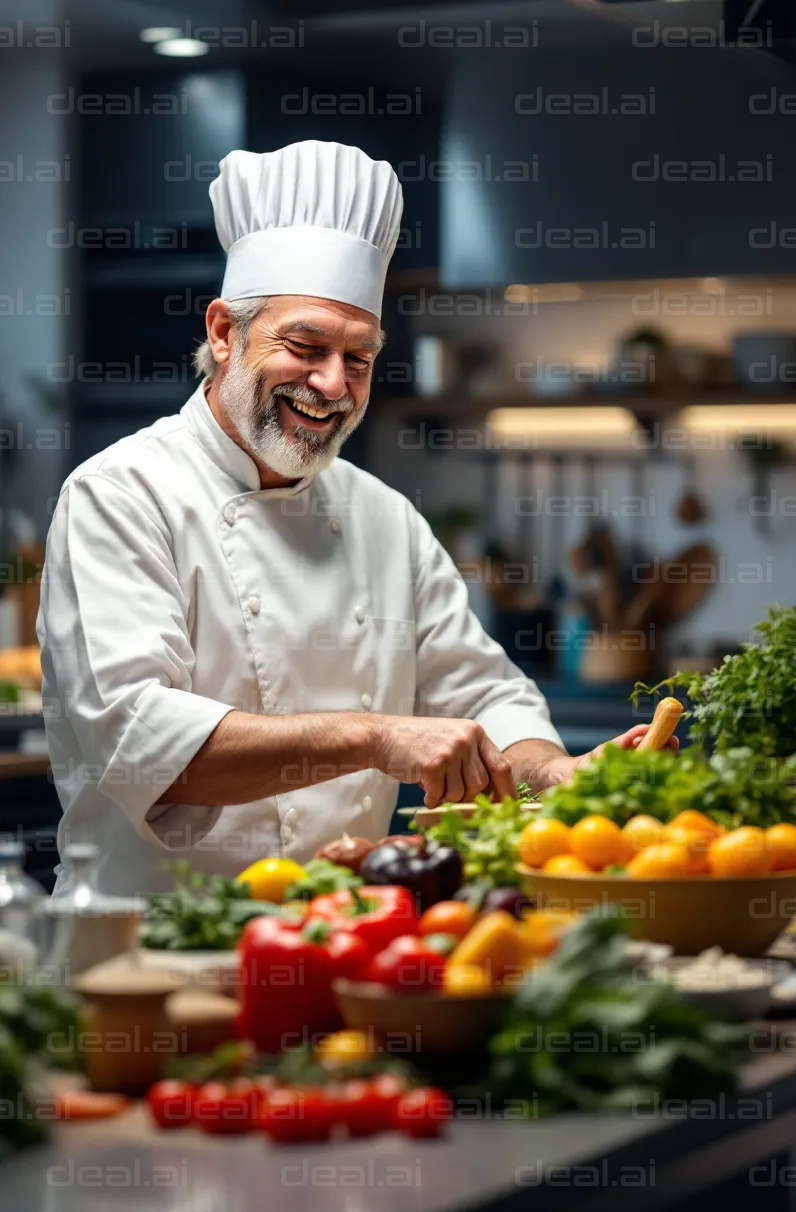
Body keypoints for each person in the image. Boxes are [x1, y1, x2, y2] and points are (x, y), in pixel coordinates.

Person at [38, 141, 665, 895]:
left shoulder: (383, 517)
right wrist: (375, 737)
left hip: (339, 936)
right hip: (154, 950)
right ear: (223, 333)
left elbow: (481, 695)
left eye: (359, 358)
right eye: (305, 346)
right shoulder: (119, 495)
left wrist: (553, 773)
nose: (332, 384)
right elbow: (142, 743)